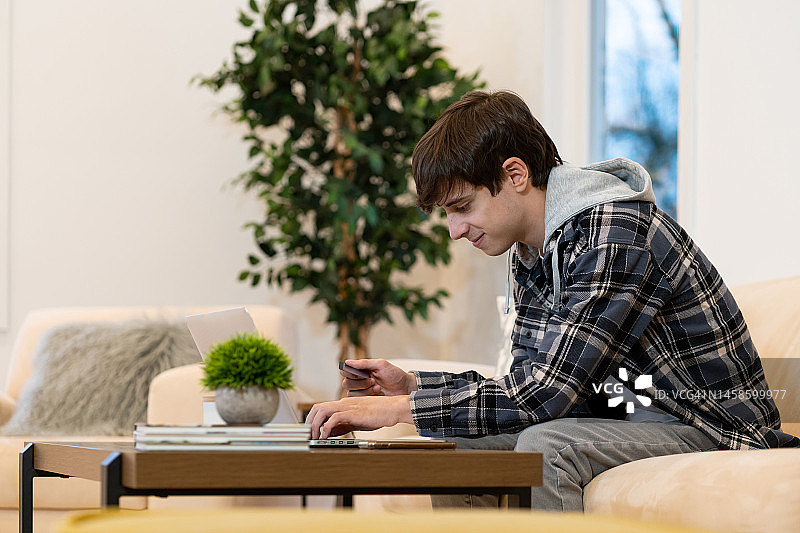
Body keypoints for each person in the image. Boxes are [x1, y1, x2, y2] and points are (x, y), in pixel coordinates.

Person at [306, 90, 799, 511]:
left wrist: (402, 410)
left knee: (549, 446)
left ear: (515, 175)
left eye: (462, 208)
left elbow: (548, 396)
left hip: (709, 422)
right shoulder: (531, 251)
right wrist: (412, 385)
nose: (455, 231)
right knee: (457, 442)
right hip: (632, 410)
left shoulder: (615, 233)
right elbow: (529, 385)